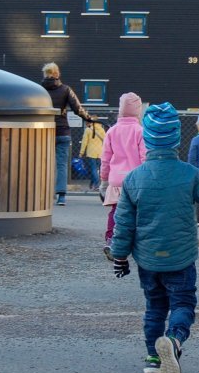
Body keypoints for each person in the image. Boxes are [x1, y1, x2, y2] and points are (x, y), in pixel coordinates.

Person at [110, 102, 199, 373]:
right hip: (181, 258)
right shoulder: (189, 174)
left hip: (147, 259)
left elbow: (124, 225)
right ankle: (174, 339)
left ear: (147, 139)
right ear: (175, 139)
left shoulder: (133, 178)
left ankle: (152, 359)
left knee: (154, 307)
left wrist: (120, 257)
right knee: (183, 303)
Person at [41, 62, 95, 207]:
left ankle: (43, 193)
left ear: (45, 74)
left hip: (44, 131)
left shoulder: (39, 90)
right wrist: (89, 119)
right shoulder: (65, 89)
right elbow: (77, 108)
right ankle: (61, 196)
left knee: (43, 163)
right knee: (61, 164)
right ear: (57, 73)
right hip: (62, 131)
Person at [99, 92, 146, 260]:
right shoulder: (140, 131)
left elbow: (105, 159)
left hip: (116, 180)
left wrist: (104, 180)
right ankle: (136, 244)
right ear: (138, 111)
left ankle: (111, 240)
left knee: (115, 212)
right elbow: (144, 158)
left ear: (120, 110)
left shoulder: (112, 131)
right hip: (136, 181)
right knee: (137, 214)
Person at [79, 120, 106, 191]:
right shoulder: (102, 130)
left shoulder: (88, 130)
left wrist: (81, 152)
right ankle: (92, 184)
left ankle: (96, 184)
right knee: (98, 169)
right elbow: (105, 141)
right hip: (100, 152)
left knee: (93, 169)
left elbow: (84, 142)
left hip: (91, 152)